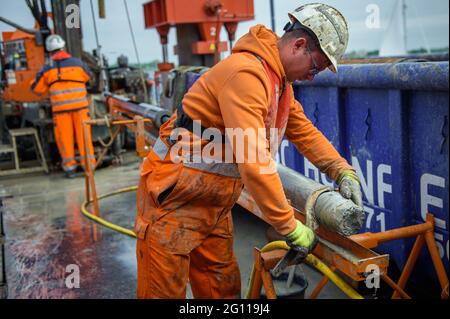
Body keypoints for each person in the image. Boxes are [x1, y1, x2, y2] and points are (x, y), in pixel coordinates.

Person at [134, 3, 363, 298]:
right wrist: (288, 225)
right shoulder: (246, 74)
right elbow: (254, 161)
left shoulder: (278, 85)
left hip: (213, 204)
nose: (313, 76)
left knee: (222, 290)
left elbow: (304, 131)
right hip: (172, 199)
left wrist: (341, 169)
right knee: (162, 292)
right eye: (316, 66)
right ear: (299, 44)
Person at [31, 34, 96, 178]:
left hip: (61, 112)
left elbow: (36, 89)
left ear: (49, 52)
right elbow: (90, 78)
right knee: (84, 138)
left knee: (65, 140)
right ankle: (89, 167)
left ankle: (70, 169)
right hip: (81, 109)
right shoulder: (78, 63)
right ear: (64, 47)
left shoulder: (47, 68)